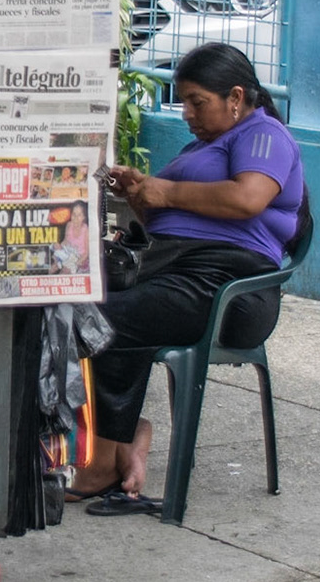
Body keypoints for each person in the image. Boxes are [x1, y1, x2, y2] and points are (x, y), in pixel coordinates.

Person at [71, 43, 305, 516]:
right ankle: (122, 444)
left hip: (227, 286)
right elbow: (163, 221)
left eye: (199, 102)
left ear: (236, 96)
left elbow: (247, 200)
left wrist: (168, 189)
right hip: (174, 267)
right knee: (71, 306)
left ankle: (106, 461)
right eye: (185, 103)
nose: (189, 114)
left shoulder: (265, 136)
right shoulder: (200, 147)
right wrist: (141, 193)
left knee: (106, 320)